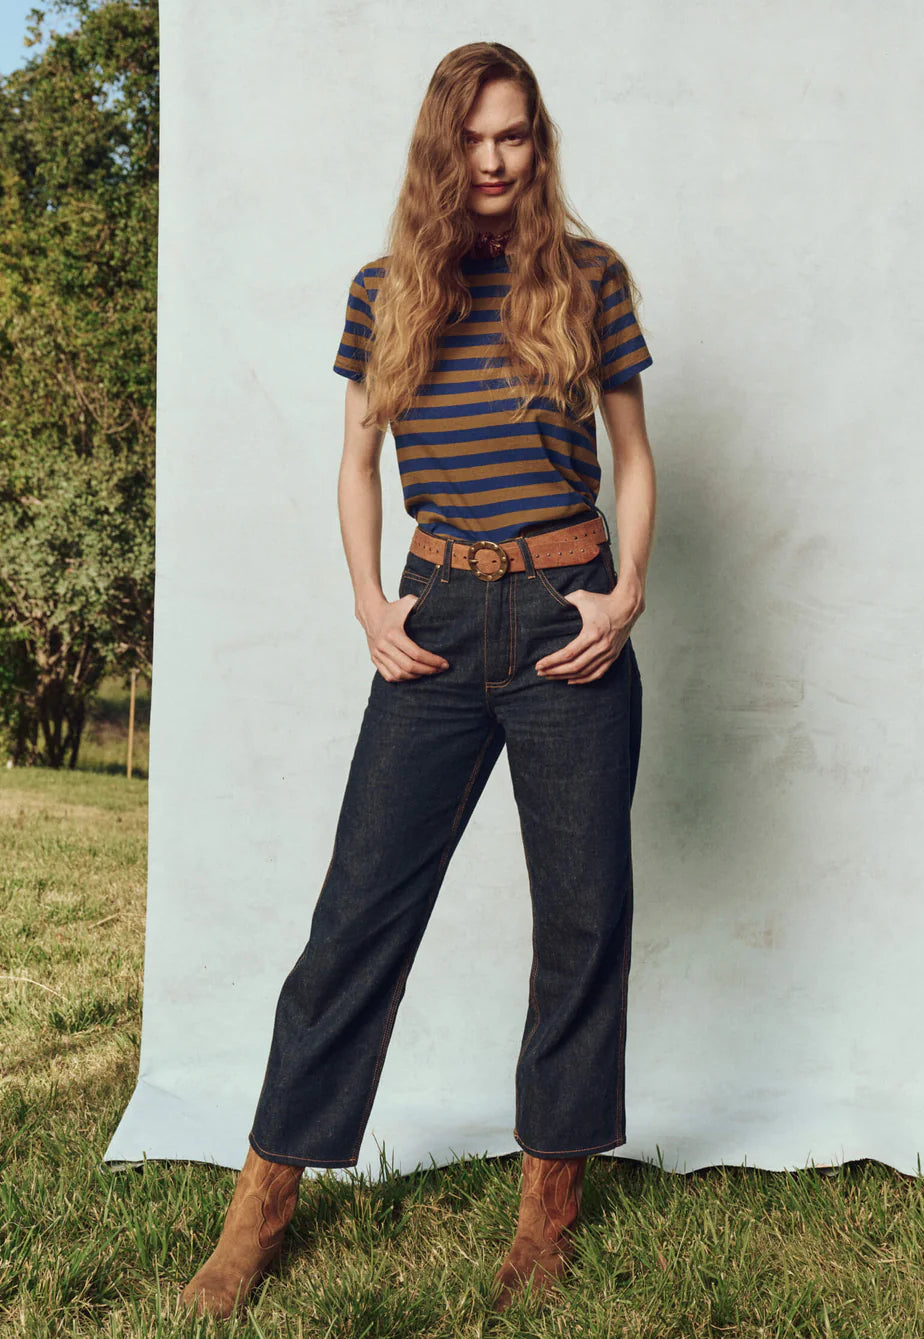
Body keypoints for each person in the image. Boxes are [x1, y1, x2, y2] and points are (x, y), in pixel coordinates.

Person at [181, 39, 656, 1320]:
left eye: (514, 136)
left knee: (581, 919)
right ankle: (263, 1204)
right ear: (441, 146)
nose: (494, 160)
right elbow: (354, 461)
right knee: (355, 923)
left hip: (569, 625)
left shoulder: (591, 278)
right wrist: (366, 604)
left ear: (535, 141)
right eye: (473, 139)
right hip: (437, 623)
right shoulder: (384, 288)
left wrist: (627, 594)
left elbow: (634, 455)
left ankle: (548, 1204)